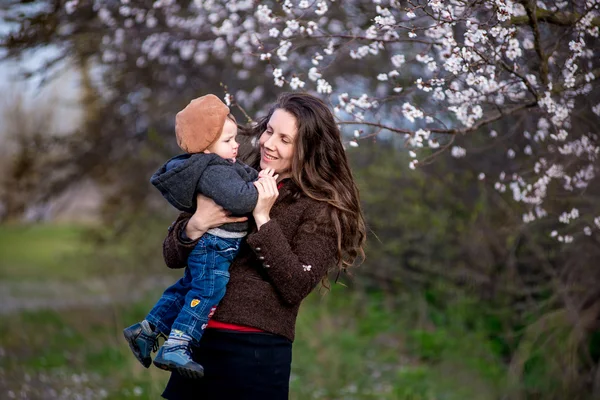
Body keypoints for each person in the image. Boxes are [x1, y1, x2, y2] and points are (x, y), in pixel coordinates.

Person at [161, 92, 366, 399]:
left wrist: (262, 217)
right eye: (269, 131)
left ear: (308, 148)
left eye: (285, 139)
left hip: (256, 353)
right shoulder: (233, 177)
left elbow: (296, 284)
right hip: (197, 340)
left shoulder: (322, 209)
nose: (269, 143)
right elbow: (171, 255)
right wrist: (196, 224)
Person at [123, 94, 274, 379]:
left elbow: (243, 175)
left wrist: (256, 177)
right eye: (228, 141)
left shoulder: (219, 165)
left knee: (187, 288)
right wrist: (262, 190)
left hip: (212, 246)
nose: (236, 145)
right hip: (215, 246)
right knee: (208, 290)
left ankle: (148, 330)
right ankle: (178, 345)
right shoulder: (212, 170)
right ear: (206, 148)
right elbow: (241, 201)